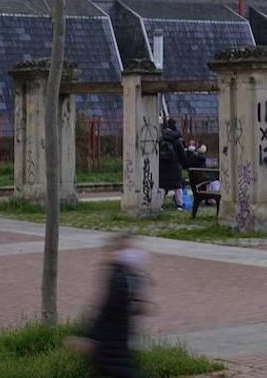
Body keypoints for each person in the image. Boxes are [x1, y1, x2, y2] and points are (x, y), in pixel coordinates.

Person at [84, 234, 149, 378]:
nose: (137, 253)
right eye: (131, 249)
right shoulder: (119, 279)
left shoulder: (125, 275)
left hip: (116, 347)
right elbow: (106, 309)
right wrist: (90, 338)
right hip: (112, 350)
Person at [158, 118, 188, 210]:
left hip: (163, 166)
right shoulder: (177, 140)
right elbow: (183, 155)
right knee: (177, 186)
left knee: (162, 186)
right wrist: (182, 164)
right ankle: (179, 204)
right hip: (175, 167)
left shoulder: (162, 139)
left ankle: (159, 204)